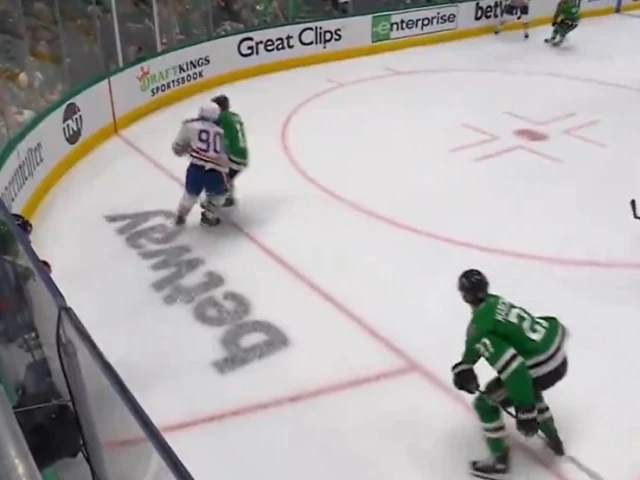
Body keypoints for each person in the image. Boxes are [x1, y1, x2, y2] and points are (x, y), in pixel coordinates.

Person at [451, 269, 568, 478]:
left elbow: (515, 371)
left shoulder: (481, 328)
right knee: (529, 386)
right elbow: (478, 341)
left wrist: (525, 410)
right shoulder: (496, 302)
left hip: (543, 366)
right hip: (555, 353)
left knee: (485, 403)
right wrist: (465, 364)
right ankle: (553, 438)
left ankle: (499, 463)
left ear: (464, 295)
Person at [173, 103, 230, 227]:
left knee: (190, 195)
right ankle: (209, 215)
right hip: (216, 171)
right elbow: (225, 154)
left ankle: (181, 215)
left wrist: (184, 149)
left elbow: (177, 148)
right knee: (220, 195)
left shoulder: (189, 126)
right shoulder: (221, 132)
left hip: (196, 169)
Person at [211, 94, 249, 207]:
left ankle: (221, 198)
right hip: (243, 155)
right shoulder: (235, 116)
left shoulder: (220, 117)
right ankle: (227, 193)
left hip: (234, 157)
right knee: (225, 174)